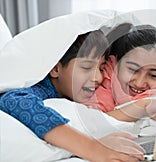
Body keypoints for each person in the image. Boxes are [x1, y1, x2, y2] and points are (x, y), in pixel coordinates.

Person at [0, 29, 145, 162]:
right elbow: (13, 100)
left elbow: (101, 118)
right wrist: (94, 149)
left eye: (101, 68)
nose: (97, 78)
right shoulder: (39, 88)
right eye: (86, 67)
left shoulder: (79, 91)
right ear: (55, 69)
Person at [85, 23, 156, 122]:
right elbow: (94, 125)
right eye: (132, 70)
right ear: (116, 63)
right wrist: (141, 107)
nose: (139, 83)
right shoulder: (100, 83)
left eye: (154, 75)